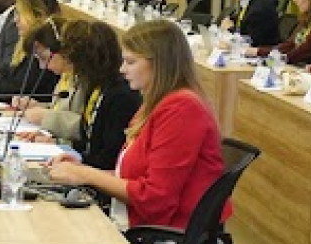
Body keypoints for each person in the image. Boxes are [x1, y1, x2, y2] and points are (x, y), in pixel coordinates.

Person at [47, 20, 225, 228]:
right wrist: (80, 169)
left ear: (158, 63)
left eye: (130, 62)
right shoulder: (156, 103)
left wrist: (87, 174)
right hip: (136, 221)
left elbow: (154, 198)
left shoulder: (183, 110)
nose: (122, 69)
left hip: (160, 235)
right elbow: (133, 178)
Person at [20, 18, 139, 175]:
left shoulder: (120, 96)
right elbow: (87, 141)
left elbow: (107, 159)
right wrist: (58, 144)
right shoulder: (97, 87)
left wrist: (79, 165)